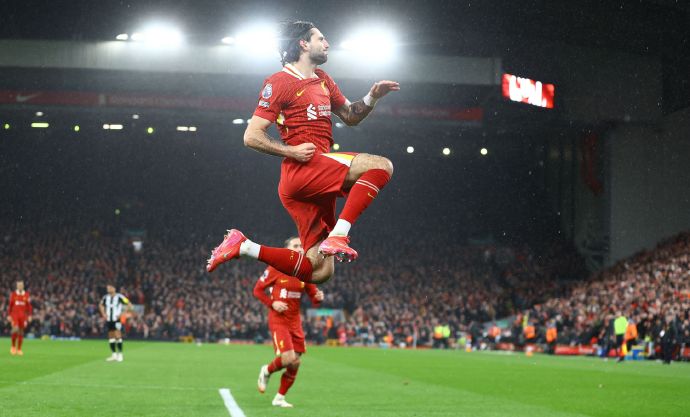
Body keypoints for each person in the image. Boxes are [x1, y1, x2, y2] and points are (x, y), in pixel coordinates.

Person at [207, 20, 399, 284]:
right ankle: (339, 235)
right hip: (303, 170)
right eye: (321, 39)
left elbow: (350, 116)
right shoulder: (279, 82)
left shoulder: (323, 80)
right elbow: (251, 135)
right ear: (303, 44)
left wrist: (372, 97)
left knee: (320, 271)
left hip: (317, 174)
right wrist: (292, 151)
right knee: (381, 165)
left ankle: (244, 246)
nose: (327, 44)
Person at [253, 236, 324, 408]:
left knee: (296, 362)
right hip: (279, 320)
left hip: (295, 321)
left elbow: (313, 297)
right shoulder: (276, 268)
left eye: (301, 246)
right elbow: (257, 290)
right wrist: (272, 303)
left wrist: (318, 297)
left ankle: (279, 398)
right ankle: (266, 370)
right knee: (288, 358)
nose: (299, 248)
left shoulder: (305, 271)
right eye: (295, 245)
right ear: (287, 250)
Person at [99, 284, 131, 362]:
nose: (108, 289)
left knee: (117, 335)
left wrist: (122, 313)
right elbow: (100, 305)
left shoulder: (120, 297)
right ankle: (114, 355)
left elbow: (129, 304)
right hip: (109, 320)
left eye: (110, 287)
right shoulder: (105, 297)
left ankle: (120, 355)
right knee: (111, 336)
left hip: (117, 320)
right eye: (107, 288)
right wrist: (103, 313)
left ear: (114, 288)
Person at [8, 280, 32, 356]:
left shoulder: (26, 295)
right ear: (17, 286)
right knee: (15, 329)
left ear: (23, 286)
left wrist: (30, 315)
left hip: (23, 316)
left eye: (21, 285)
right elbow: (10, 305)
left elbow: (29, 306)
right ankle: (13, 347)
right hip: (15, 315)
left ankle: (19, 349)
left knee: (21, 332)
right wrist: (9, 315)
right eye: (19, 285)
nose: (20, 286)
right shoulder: (13, 294)